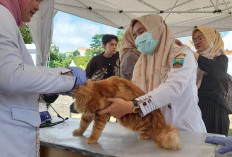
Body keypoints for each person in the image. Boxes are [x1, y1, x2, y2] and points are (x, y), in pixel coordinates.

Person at [0, 1, 87, 157]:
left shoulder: (7, 18)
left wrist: (46, 91)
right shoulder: (2, 15)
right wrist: (67, 77)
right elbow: (11, 76)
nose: (38, 7)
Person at [98, 14, 206, 133]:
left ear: (157, 29)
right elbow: (135, 90)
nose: (138, 38)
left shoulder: (181, 54)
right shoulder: (142, 62)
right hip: (157, 132)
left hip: (186, 131)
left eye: (141, 31)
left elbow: (173, 87)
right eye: (135, 35)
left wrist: (132, 106)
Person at [192, 26, 230, 136]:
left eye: (200, 38)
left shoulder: (220, 58)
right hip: (198, 109)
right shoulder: (194, 61)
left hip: (215, 111)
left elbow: (218, 73)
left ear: (211, 38)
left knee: (216, 148)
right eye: (194, 40)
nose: (196, 42)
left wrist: (198, 57)